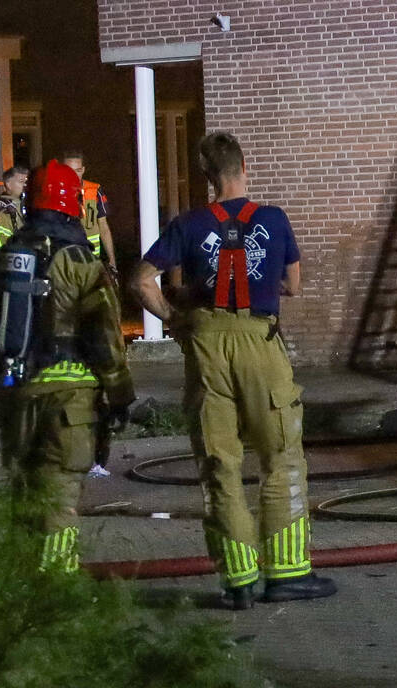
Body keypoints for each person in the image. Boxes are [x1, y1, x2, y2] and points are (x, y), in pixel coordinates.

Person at [132, 132, 335, 607]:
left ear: (207, 175)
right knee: (280, 457)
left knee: (219, 464)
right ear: (244, 167)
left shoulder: (187, 224)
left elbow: (141, 280)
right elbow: (293, 284)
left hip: (206, 347)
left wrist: (175, 320)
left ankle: (239, 581)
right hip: (259, 344)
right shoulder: (273, 219)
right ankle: (287, 574)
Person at [0, 159, 133, 573]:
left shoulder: (5, 258)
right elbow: (106, 337)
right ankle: (56, 590)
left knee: (25, 492)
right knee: (59, 498)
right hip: (71, 399)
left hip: (18, 391)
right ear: (73, 205)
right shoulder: (82, 263)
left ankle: (24, 582)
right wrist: (119, 396)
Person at [59, 150, 117, 285]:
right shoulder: (56, 193)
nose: (74, 175)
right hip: (66, 259)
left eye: (78, 170)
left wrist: (112, 260)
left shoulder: (94, 190)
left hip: (91, 259)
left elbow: (104, 227)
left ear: (83, 170)